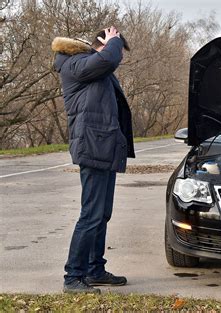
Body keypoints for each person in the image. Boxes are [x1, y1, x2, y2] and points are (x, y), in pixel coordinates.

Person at [52, 26, 135, 294]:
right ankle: (73, 277)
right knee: (91, 214)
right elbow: (108, 59)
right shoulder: (74, 64)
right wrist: (113, 42)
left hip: (104, 147)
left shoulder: (93, 67)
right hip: (93, 147)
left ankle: (94, 269)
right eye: (119, 50)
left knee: (102, 214)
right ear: (103, 45)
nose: (119, 58)